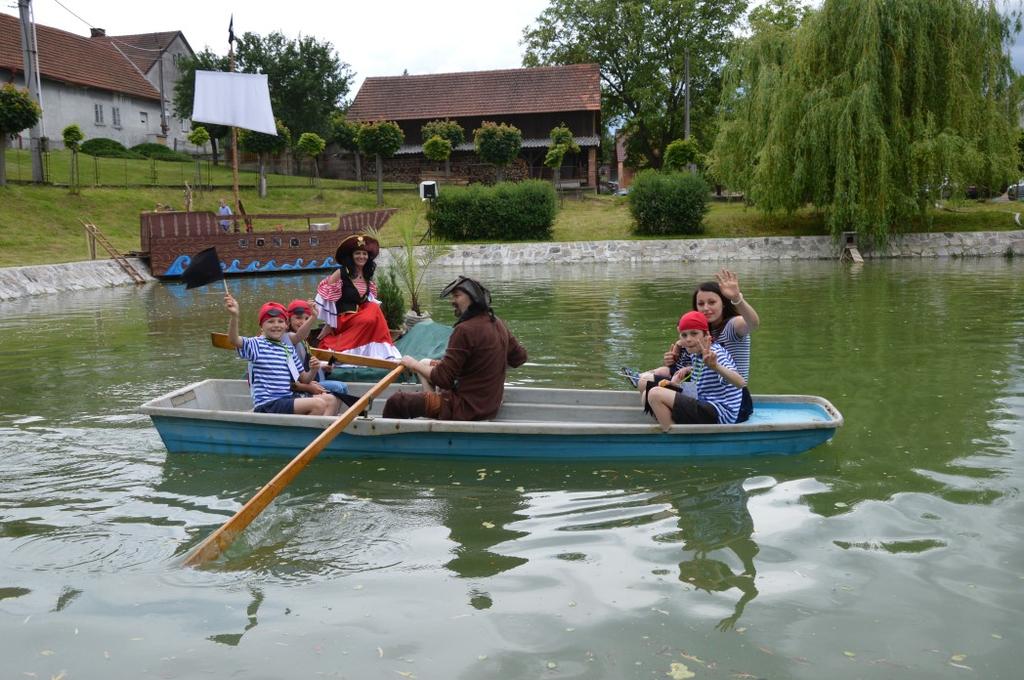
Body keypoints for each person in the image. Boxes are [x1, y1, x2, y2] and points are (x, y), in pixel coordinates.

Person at [382, 276, 528, 420]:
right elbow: (519, 358)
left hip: (465, 408)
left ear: (473, 298)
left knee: (397, 401)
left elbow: (443, 379)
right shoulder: (497, 323)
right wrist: (490, 371)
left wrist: (412, 364)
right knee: (426, 363)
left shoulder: (465, 329)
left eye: (457, 296)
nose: (452, 301)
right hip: (490, 405)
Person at [628, 268, 759, 422]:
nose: (705, 308)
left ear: (723, 303)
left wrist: (737, 298)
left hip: (733, 399)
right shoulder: (700, 331)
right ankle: (671, 426)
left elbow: (753, 324)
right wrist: (676, 359)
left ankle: (675, 432)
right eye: (701, 304)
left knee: (652, 386)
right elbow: (698, 372)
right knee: (646, 383)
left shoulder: (732, 326)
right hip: (706, 393)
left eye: (712, 302)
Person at [224, 293, 341, 416]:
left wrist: (313, 369)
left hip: (286, 399)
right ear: (261, 326)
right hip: (267, 404)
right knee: (318, 404)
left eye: (280, 321)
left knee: (331, 400)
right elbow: (234, 340)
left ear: (286, 326)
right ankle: (308, 434)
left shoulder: (287, 349)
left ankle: (321, 432)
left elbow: (305, 379)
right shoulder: (256, 344)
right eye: (270, 321)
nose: (276, 325)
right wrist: (234, 316)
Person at [639, 311, 745, 432]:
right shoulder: (695, 353)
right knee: (646, 394)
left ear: (706, 336)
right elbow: (697, 387)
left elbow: (740, 382)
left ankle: (676, 440)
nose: (688, 339)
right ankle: (675, 429)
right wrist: (677, 384)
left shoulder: (715, 354)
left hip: (720, 413)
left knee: (655, 394)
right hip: (702, 403)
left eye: (694, 333)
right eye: (684, 335)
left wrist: (716, 366)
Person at [313, 233, 400, 361]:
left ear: (368, 257)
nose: (361, 256)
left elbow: (367, 302)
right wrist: (329, 324)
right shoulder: (341, 273)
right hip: (343, 319)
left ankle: (379, 351)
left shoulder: (367, 277)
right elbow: (327, 300)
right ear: (351, 256)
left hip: (361, 318)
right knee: (374, 310)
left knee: (374, 310)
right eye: (358, 253)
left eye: (364, 254)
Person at [284, 298, 350, 399]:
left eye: (306, 319)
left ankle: (334, 413)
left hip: (310, 379)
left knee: (343, 386)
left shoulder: (302, 340)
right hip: (303, 384)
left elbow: (306, 365)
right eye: (298, 318)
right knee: (338, 388)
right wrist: (313, 317)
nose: (303, 322)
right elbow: (299, 336)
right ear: (288, 320)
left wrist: (321, 367)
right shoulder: (289, 337)